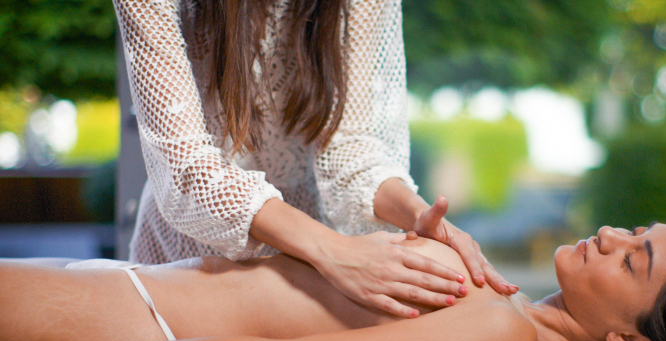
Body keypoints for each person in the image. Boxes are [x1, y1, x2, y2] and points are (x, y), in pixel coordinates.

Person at [114, 0, 515, 318]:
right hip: (191, 248)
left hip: (320, 260)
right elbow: (186, 167)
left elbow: (350, 148)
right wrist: (332, 253)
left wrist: (416, 214)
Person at [0, 223, 666, 341]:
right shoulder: (514, 310)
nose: (607, 233)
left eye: (633, 257)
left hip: (128, 321)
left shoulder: (506, 334)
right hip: (127, 288)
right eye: (633, 230)